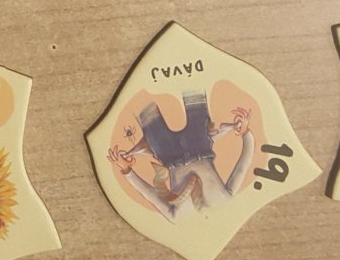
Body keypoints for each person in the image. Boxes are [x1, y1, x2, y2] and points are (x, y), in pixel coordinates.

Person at [105, 93, 255, 221]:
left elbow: (149, 194)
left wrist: (127, 170)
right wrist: (246, 133)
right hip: (199, 142)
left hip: (166, 151)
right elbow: (242, 168)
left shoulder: (179, 219)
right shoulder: (226, 204)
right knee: (193, 91)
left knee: (142, 105)